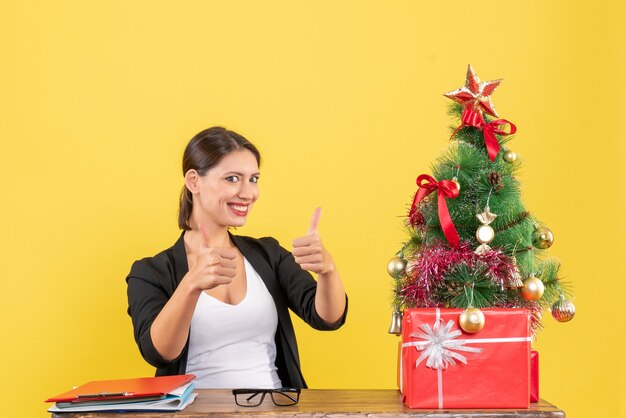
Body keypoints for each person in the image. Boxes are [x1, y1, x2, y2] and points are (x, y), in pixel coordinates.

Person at [126, 127, 348, 389]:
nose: (248, 192)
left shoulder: (268, 255)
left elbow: (326, 318)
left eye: (253, 179)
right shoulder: (150, 272)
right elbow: (160, 353)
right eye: (232, 179)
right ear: (194, 181)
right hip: (195, 411)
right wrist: (191, 284)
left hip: (273, 407)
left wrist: (328, 272)